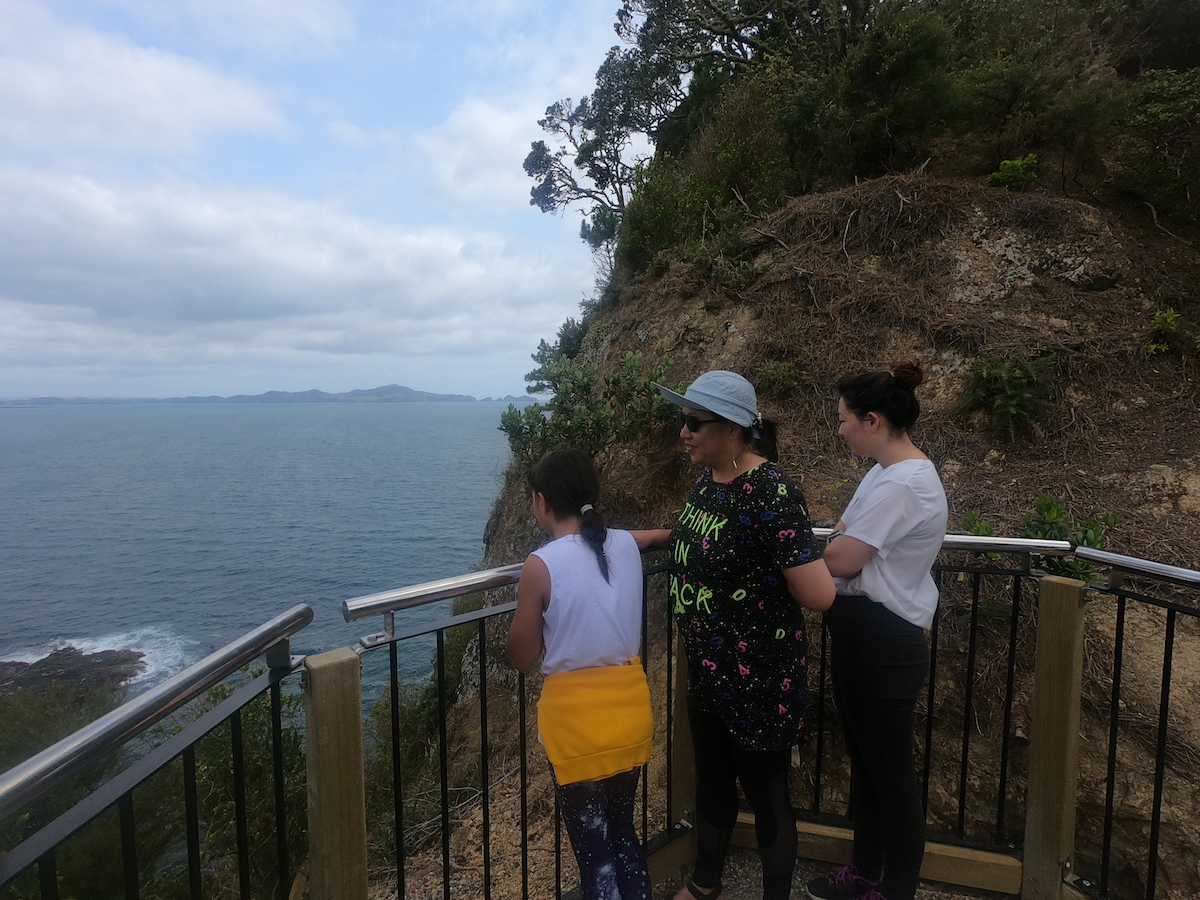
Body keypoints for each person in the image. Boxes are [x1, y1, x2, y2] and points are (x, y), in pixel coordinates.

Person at [633, 370, 835, 900]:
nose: (685, 432)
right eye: (683, 420)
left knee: (768, 797)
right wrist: (645, 539)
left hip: (761, 679)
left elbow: (818, 594)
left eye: (695, 422)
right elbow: (700, 535)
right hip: (709, 673)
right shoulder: (708, 481)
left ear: (733, 429)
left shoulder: (772, 489)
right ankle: (705, 883)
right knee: (713, 782)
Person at [806, 362, 948, 900]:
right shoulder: (882, 474)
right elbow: (843, 539)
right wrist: (843, 547)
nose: (838, 429)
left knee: (891, 776)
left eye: (843, 419)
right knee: (865, 764)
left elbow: (841, 557)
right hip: (862, 632)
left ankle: (895, 890)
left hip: (885, 639)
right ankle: (866, 871)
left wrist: (842, 549)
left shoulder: (907, 483)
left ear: (871, 420)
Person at [506, 448, 654, 900]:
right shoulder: (624, 544)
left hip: (577, 731)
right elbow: (643, 538)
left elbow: (522, 656)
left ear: (541, 501)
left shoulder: (541, 564)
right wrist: (671, 532)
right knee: (624, 836)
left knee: (596, 859)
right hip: (630, 716)